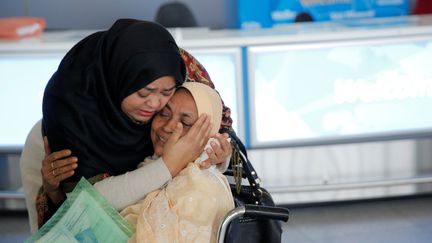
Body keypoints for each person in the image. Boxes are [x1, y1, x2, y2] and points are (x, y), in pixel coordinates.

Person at [19, 19, 232, 232]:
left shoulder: (174, 65)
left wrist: (218, 155)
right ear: (120, 78)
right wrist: (168, 165)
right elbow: (87, 201)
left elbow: (212, 122)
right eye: (143, 93)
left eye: (167, 93)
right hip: (65, 155)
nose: (155, 104)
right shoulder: (71, 111)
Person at [121, 82, 234, 243]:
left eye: (186, 124)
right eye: (163, 114)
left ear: (208, 135)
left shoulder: (198, 189)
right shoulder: (150, 163)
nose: (168, 127)